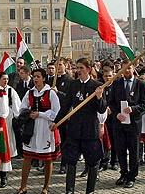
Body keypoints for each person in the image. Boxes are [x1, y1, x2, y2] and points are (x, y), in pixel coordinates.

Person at [51, 58, 106, 194]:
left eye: (81, 68)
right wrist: (57, 121)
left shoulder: (97, 86)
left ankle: (90, 191)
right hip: (75, 128)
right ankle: (69, 190)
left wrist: (99, 97)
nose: (78, 71)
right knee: (71, 160)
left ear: (88, 69)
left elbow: (102, 109)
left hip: (90, 129)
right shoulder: (73, 85)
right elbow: (66, 106)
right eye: (77, 68)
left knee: (92, 161)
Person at [17, 68, 61, 194]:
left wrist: (41, 114)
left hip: (46, 128)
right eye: (34, 76)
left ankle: (46, 187)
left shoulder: (50, 93)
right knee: (27, 156)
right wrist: (27, 114)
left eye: (38, 76)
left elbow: (56, 112)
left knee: (47, 158)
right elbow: (22, 108)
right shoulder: (30, 93)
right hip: (32, 128)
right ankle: (23, 186)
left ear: (43, 78)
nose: (35, 79)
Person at [107, 60, 145, 188]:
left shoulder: (141, 85)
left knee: (133, 151)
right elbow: (111, 102)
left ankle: (132, 175)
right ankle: (123, 173)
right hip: (119, 123)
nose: (126, 71)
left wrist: (133, 109)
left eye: (129, 68)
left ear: (133, 69)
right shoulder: (116, 84)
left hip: (134, 123)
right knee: (120, 150)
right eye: (124, 68)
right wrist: (116, 113)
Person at [49, 58, 74, 174]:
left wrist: (58, 93)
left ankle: (64, 164)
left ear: (65, 65)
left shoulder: (69, 81)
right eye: (56, 65)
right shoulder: (52, 80)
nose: (58, 67)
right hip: (52, 113)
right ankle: (48, 162)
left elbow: (69, 99)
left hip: (64, 113)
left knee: (64, 140)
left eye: (60, 65)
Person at [0, 71, 21, 159]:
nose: (6, 81)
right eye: (4, 79)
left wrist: (17, 116)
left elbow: (16, 104)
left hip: (8, 114)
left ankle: (9, 153)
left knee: (8, 134)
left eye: (7, 79)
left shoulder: (11, 90)